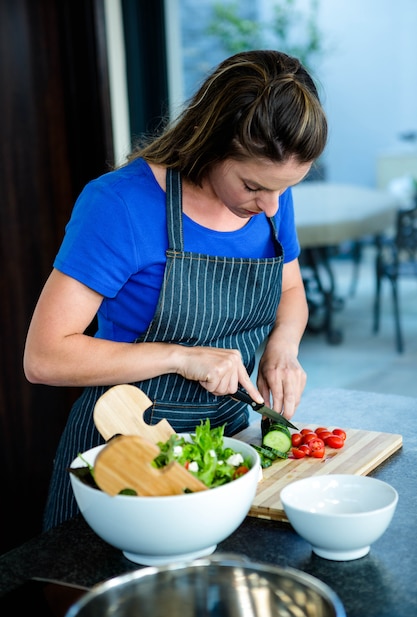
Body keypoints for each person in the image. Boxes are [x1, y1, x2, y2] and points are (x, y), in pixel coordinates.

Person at [24, 49, 328, 530]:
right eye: (253, 186)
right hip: (123, 454)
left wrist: (282, 348)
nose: (271, 207)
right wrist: (182, 356)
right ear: (212, 144)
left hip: (224, 451)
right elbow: (44, 358)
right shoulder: (120, 204)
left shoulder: (270, 198)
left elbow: (291, 291)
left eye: (285, 189)